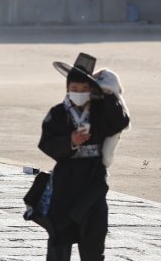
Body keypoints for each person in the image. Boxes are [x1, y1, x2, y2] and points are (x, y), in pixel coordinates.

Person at [34, 53, 130, 261]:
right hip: (65, 183)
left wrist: (108, 94)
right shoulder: (58, 113)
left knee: (94, 240)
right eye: (74, 89)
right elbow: (46, 142)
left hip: (93, 181)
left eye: (84, 89)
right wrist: (70, 141)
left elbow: (120, 122)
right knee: (60, 240)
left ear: (91, 90)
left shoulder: (99, 112)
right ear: (67, 89)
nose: (79, 93)